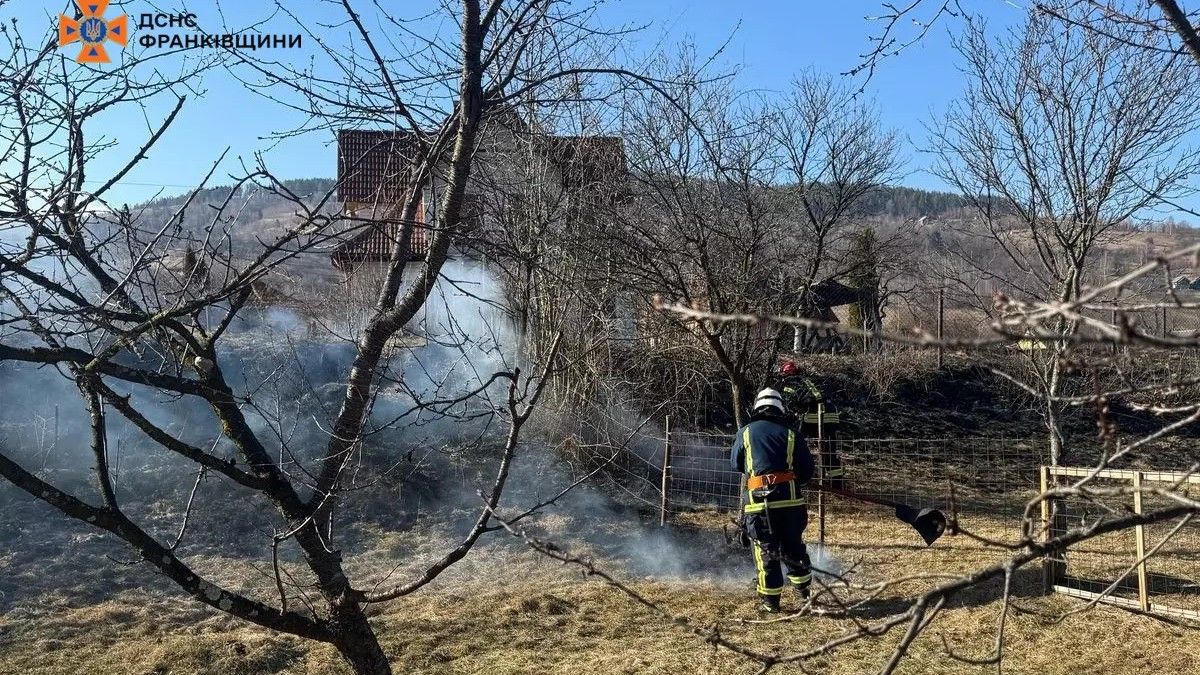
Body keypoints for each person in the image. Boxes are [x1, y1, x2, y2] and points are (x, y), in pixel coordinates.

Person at [730, 388, 816, 613]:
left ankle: (771, 603)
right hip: (790, 504)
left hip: (759, 504)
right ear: (780, 408)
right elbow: (807, 470)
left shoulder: (745, 433)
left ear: (757, 407)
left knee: (765, 550)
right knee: (794, 547)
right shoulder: (791, 433)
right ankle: (804, 594)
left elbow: (736, 464)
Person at [775, 360, 846, 490]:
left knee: (795, 445)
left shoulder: (791, 383)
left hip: (813, 418)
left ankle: (797, 478)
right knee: (829, 452)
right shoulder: (807, 380)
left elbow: (789, 404)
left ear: (786, 374)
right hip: (831, 417)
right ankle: (837, 487)